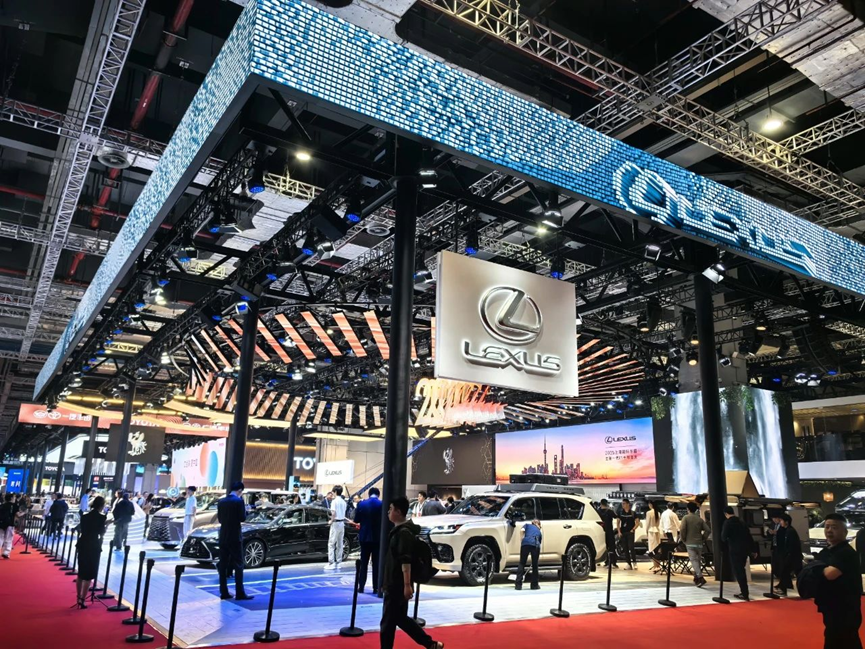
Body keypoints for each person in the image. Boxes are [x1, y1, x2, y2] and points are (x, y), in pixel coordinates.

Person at [380, 496, 443, 649]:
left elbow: (405, 560)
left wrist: (407, 585)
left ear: (398, 512)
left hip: (396, 583)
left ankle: (430, 643)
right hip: (398, 582)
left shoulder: (403, 533)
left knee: (388, 623)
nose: (388, 512)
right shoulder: (402, 531)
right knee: (400, 618)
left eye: (391, 509)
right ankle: (430, 644)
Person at [813, 513, 863, 648]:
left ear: (845, 531)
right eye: (827, 527)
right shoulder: (827, 551)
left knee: (843, 639)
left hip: (845, 608)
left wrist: (816, 567)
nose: (829, 530)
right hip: (831, 605)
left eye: (834, 527)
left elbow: (830, 574)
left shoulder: (846, 552)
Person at [218, 481, 253, 601]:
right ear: (240, 490)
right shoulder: (239, 501)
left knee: (223, 564)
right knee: (238, 564)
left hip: (223, 535)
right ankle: (240, 593)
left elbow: (220, 519)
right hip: (234, 536)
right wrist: (246, 511)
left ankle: (223, 592)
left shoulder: (221, 501)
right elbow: (242, 518)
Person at [75, 496, 106, 609]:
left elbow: (82, 529)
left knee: (81, 572)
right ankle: (83, 599)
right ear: (101, 506)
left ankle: (78, 597)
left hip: (83, 543)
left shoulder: (85, 516)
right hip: (93, 545)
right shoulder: (102, 517)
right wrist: (106, 525)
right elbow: (101, 532)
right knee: (89, 574)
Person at [721, 506, 754, 600]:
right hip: (744, 550)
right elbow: (749, 536)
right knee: (742, 570)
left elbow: (723, 537)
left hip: (734, 550)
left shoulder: (727, 523)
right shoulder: (741, 522)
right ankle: (744, 591)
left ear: (726, 514)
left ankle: (744, 593)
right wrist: (753, 549)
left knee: (738, 571)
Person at [354, 487, 383, 594]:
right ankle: (376, 587)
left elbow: (356, 519)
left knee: (363, 562)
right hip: (377, 538)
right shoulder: (382, 504)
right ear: (378, 495)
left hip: (364, 537)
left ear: (369, 494)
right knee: (376, 563)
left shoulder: (361, 504)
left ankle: (361, 586)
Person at [679, 502, 710, 587]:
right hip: (699, 543)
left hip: (689, 542)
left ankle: (700, 577)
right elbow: (708, 530)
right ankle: (696, 578)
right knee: (698, 560)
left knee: (693, 560)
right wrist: (703, 538)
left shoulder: (686, 518)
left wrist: (683, 539)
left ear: (688, 509)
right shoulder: (699, 519)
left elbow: (682, 529)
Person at [775, 513, 803, 596]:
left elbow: (792, 545)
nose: (780, 522)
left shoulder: (790, 531)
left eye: (781, 521)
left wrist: (788, 555)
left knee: (788, 572)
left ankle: (784, 589)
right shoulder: (788, 530)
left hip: (793, 556)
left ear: (786, 522)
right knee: (788, 572)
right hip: (793, 556)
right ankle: (783, 588)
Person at [515, 518, 542, 590]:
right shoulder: (539, 531)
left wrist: (522, 540)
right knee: (535, 565)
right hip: (535, 544)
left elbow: (522, 530)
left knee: (522, 563)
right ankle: (534, 585)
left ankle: (518, 585)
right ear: (538, 524)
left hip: (525, 543)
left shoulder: (527, 525)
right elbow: (539, 542)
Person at [326, 485, 348, 570]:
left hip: (335, 523)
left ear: (335, 492)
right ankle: (339, 562)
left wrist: (331, 521)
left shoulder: (334, 501)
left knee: (331, 543)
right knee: (340, 543)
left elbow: (333, 513)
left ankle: (331, 562)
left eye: (333, 492)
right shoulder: (343, 502)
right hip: (342, 523)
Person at [616, 498, 640, 570]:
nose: (622, 505)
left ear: (628, 504)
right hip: (623, 532)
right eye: (622, 504)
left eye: (624, 503)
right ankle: (628, 563)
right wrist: (619, 531)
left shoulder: (633, 513)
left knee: (631, 547)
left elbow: (637, 522)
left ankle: (634, 562)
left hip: (630, 532)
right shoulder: (620, 512)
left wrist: (633, 529)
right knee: (625, 548)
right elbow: (618, 522)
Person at [598, 499, 619, 568]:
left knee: (604, 547)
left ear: (601, 504)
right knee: (612, 547)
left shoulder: (598, 512)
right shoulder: (610, 511)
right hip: (609, 531)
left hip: (601, 531)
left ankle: (605, 561)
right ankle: (613, 562)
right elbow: (616, 516)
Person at [645, 500, 662, 571]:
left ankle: (655, 566)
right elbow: (658, 524)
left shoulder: (648, 513)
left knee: (652, 549)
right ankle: (658, 565)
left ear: (650, 505)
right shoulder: (658, 513)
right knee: (657, 549)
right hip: (657, 531)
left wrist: (646, 531)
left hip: (651, 531)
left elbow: (647, 524)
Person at [0, 493, 16, 559]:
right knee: (8, 538)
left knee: (0, 538)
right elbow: (18, 514)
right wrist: (24, 512)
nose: (15, 498)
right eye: (14, 497)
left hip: (1, 523)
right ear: (11, 498)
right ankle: (6, 552)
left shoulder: (2, 505)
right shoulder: (14, 506)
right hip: (10, 524)